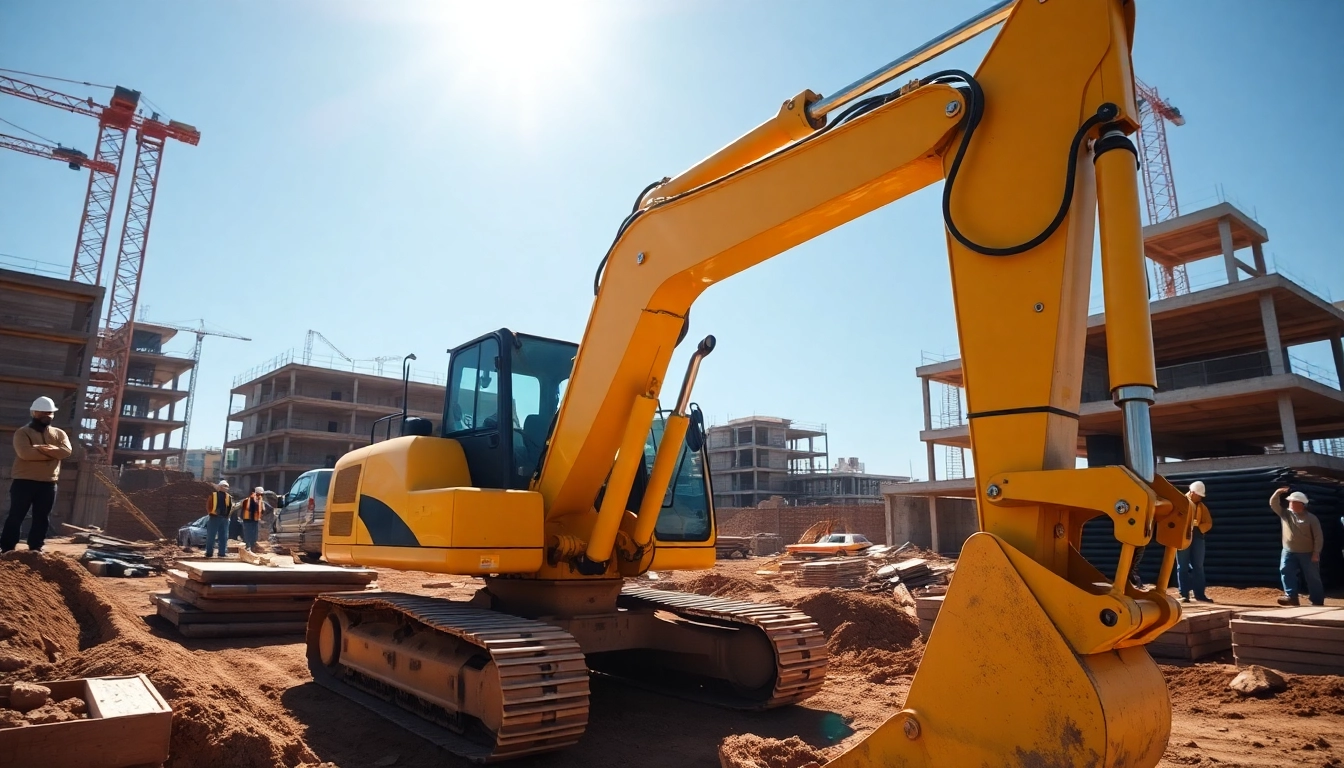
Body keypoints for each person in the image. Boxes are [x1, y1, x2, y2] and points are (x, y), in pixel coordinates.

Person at [2, 397, 73, 554]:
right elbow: (25, 453)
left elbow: (66, 451)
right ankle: (7, 549)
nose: (46, 415)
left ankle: (36, 547)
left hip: (48, 484)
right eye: (43, 412)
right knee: (16, 515)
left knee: (41, 518)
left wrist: (42, 449)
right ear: (34, 413)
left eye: (50, 413)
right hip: (24, 482)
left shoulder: (59, 434)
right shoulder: (23, 433)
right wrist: (53, 453)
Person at [1271, 486, 1324, 607]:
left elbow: (1318, 537)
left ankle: (1316, 600)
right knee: (1286, 571)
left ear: (1300, 504)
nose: (1290, 504)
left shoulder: (1311, 518)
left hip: (1308, 553)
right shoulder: (1285, 514)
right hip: (1289, 551)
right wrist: (1277, 492)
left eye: (1292, 502)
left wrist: (1316, 552)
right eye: (1289, 501)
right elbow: (1273, 504)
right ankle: (1291, 597)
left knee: (1312, 577)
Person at [1176, 480, 1213, 603]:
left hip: (1197, 537)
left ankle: (1199, 594)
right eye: (1199, 495)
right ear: (1192, 493)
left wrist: (1199, 527)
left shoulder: (1202, 507)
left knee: (1198, 566)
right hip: (1182, 536)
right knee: (1183, 566)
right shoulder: (1180, 502)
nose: (1200, 498)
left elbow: (1208, 523)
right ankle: (1183, 594)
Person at [205, 481, 233, 558]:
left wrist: (228, 516)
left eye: (226, 486)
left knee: (224, 536)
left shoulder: (228, 497)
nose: (225, 488)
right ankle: (209, 552)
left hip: (224, 519)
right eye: (224, 486)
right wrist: (210, 513)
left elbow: (230, 507)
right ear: (219, 487)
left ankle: (222, 553)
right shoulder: (213, 495)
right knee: (211, 536)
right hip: (214, 517)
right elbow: (208, 505)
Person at [238, 486, 265, 552]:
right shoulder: (252, 499)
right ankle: (249, 546)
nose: (261, 495)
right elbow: (254, 508)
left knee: (253, 533)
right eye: (260, 494)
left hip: (254, 519)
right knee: (248, 533)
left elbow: (261, 510)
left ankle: (252, 546)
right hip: (248, 519)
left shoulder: (259, 499)